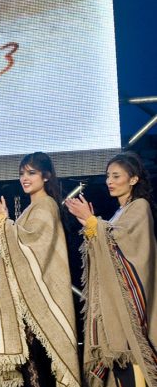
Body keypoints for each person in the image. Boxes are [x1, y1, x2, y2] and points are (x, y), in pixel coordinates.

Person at [0, 153, 81, 387]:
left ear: (46, 176)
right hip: (29, 308)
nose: (24, 179)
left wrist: (1, 222)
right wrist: (4, 223)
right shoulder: (31, 208)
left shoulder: (46, 207)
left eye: (31, 173)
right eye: (21, 174)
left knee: (41, 371)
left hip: (42, 304)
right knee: (33, 371)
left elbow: (29, 251)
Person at [66, 151, 157, 386]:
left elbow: (125, 245)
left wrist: (93, 221)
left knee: (132, 366)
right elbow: (106, 240)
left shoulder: (140, 207)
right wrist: (90, 225)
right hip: (111, 303)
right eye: (108, 176)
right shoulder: (119, 212)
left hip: (128, 305)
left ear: (133, 179)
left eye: (116, 176)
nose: (110, 181)